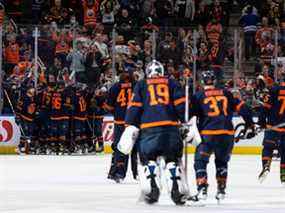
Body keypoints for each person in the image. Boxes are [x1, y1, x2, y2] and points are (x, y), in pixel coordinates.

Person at [124, 60, 188, 205]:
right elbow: (181, 105)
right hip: (171, 129)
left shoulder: (141, 84)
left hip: (149, 129)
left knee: (148, 159)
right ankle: (175, 188)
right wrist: (185, 121)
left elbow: (134, 107)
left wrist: (129, 124)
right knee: (172, 160)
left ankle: (152, 186)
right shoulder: (172, 83)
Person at [190, 70, 255, 201]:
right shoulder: (226, 93)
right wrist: (250, 126)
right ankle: (221, 190)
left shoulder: (198, 96)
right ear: (214, 81)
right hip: (226, 134)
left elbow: (190, 115)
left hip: (208, 134)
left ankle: (202, 188)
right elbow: (244, 109)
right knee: (221, 162)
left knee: (200, 161)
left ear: (202, 82)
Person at [105, 69, 137, 183]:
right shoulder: (137, 86)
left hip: (120, 122)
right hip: (134, 121)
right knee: (135, 148)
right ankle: (137, 173)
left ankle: (118, 173)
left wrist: (117, 112)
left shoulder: (115, 87)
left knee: (120, 147)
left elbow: (108, 106)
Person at [258, 72, 285, 185]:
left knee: (268, 148)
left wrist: (262, 122)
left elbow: (265, 107)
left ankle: (266, 165)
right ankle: (284, 176)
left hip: (272, 126)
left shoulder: (274, 89)